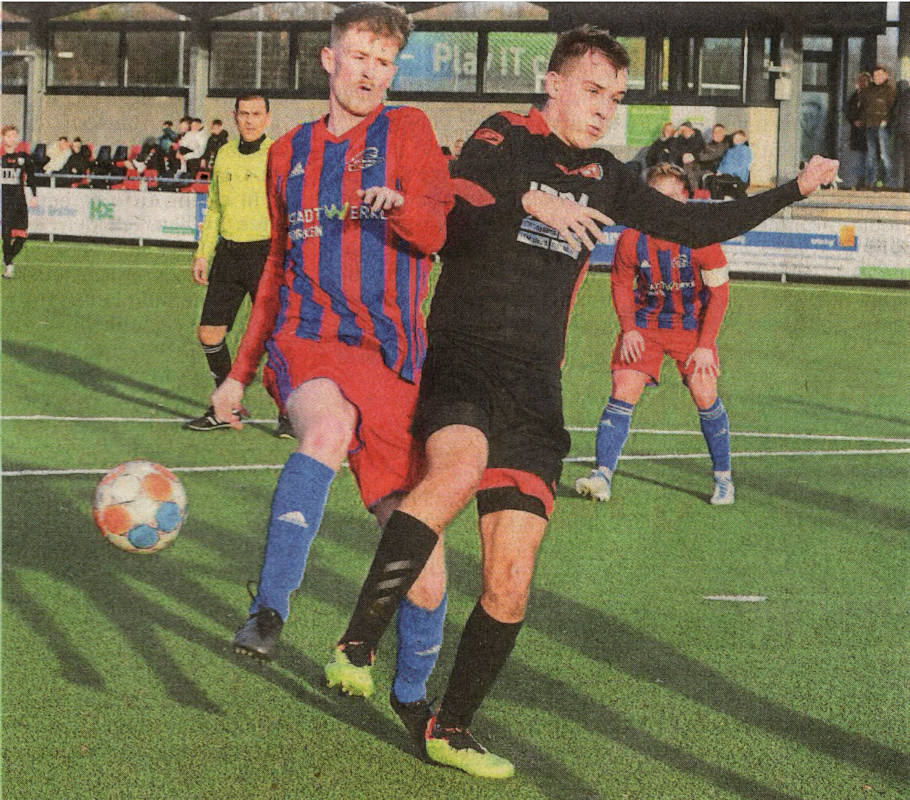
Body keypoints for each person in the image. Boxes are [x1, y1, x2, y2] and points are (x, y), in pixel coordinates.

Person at [325, 24, 838, 779]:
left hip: (536, 388)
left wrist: (792, 190)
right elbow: (454, 209)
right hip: (466, 360)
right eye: (593, 91)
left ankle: (450, 727)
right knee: (456, 468)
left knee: (512, 578)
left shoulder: (608, 175)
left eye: (615, 98)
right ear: (555, 83)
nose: (604, 108)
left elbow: (692, 224)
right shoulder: (503, 136)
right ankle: (357, 643)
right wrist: (532, 201)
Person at [209, 2, 453, 753]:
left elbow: (434, 231)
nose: (370, 73)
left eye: (384, 62)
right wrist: (238, 375)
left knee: (426, 569)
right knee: (325, 428)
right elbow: (275, 270)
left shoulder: (408, 131)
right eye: (359, 57)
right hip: (309, 339)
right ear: (329, 59)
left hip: (393, 357)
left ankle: (411, 696)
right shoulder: (288, 152)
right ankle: (269, 608)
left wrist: (401, 208)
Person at [576, 163, 734, 506]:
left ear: (686, 197)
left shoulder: (703, 236)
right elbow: (621, 284)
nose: (668, 202)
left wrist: (706, 346)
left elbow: (719, 294)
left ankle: (723, 478)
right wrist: (629, 329)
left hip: (691, 326)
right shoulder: (632, 238)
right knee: (623, 387)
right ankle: (602, 474)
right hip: (646, 324)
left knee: (704, 392)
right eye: (660, 196)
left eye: (675, 195)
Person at [184, 95, 287, 436]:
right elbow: (214, 207)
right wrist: (203, 253)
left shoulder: (278, 154)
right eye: (244, 114)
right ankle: (225, 406)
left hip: (265, 254)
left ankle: (288, 412)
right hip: (228, 255)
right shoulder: (225, 154)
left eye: (257, 114)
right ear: (234, 116)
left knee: (276, 339)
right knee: (209, 333)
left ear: (267, 118)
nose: (250, 120)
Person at [1, 125, 38, 278]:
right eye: (9, 136)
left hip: (19, 200)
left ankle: (7, 259)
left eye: (14, 136)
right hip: (4, 201)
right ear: (3, 137)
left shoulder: (23, 157)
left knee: (22, 236)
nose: (12, 139)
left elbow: (31, 176)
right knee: (6, 235)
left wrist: (34, 195)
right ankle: (9, 265)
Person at [859, 65, 896, 189]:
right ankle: (871, 182)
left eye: (880, 75)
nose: (877, 78)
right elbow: (863, 107)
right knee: (871, 155)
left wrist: (886, 121)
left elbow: (893, 109)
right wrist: (863, 120)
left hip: (882, 126)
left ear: (885, 76)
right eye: (875, 76)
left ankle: (888, 183)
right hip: (870, 125)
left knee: (884, 155)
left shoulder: (890, 90)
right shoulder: (868, 90)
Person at [705, 129, 752, 199]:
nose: (737, 140)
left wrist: (726, 172)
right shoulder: (730, 150)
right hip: (727, 175)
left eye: (740, 138)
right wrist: (719, 171)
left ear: (744, 139)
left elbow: (742, 166)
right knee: (709, 179)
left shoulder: (745, 149)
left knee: (715, 181)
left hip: (738, 176)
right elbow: (723, 162)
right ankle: (718, 198)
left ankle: (718, 201)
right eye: (735, 138)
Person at [845, 72, 870, 189]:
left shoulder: (871, 96)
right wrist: (854, 120)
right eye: (861, 81)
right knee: (858, 158)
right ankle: (858, 182)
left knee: (869, 158)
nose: (863, 83)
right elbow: (848, 110)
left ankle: (867, 182)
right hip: (857, 133)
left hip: (869, 131)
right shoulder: (855, 96)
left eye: (865, 81)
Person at [889, 79, 910, 191]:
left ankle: (906, 185)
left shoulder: (902, 96)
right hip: (905, 131)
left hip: (904, 132)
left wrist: (894, 128)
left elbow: (896, 113)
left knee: (906, 160)